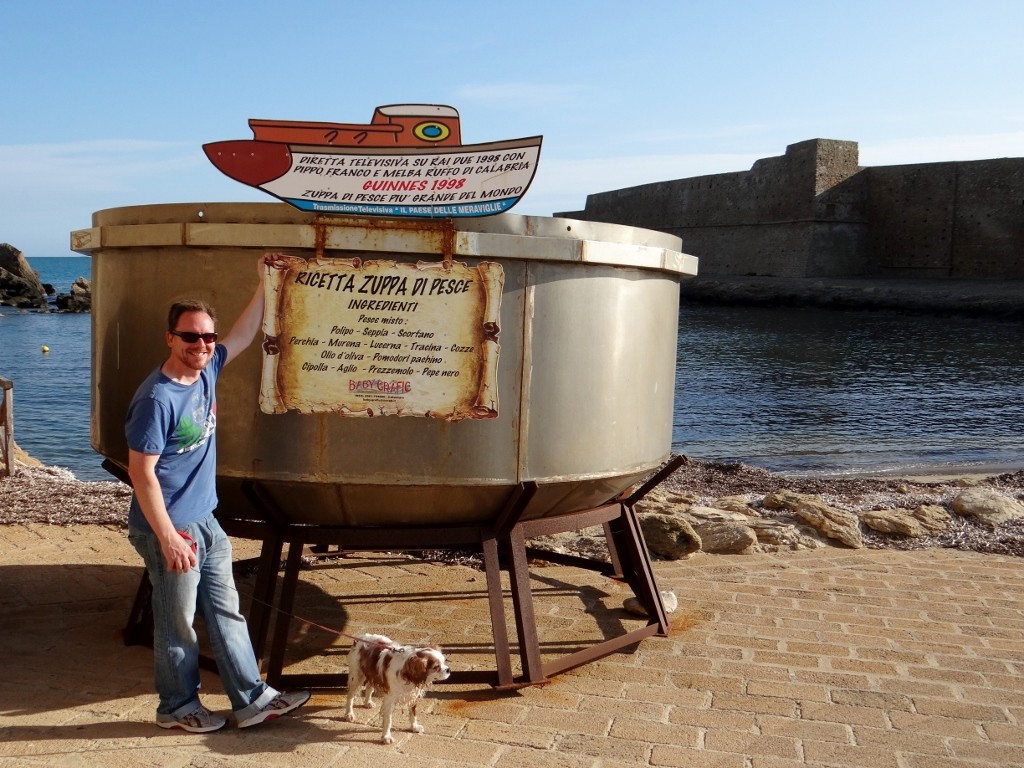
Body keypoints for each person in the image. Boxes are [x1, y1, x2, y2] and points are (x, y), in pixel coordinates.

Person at [125, 255, 309, 733]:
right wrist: (167, 537)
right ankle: (177, 707)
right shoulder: (156, 399)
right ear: (171, 338)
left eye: (207, 336)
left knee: (226, 609)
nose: (202, 345)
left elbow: (245, 334)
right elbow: (140, 473)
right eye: (191, 337)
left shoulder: (206, 371)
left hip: (205, 519)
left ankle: (252, 699)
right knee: (177, 622)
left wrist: (265, 282)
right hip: (169, 526)